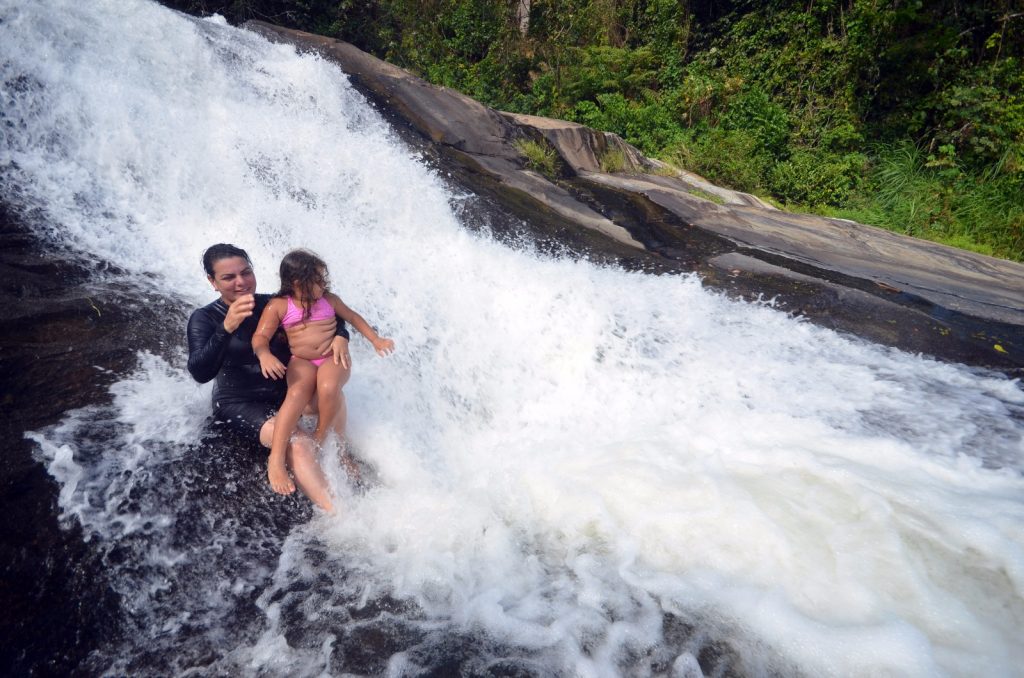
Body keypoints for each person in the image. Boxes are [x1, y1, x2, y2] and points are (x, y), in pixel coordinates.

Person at [186, 243, 350, 512]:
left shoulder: (273, 304)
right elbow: (200, 372)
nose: (241, 282)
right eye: (228, 277)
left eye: (246, 272)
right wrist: (226, 328)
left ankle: (342, 454)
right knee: (299, 443)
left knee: (333, 393)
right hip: (241, 404)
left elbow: (327, 313)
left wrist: (343, 336)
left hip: (286, 394)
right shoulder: (204, 318)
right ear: (212, 282)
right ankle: (339, 515)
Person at [252, 249, 394, 497]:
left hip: (333, 358)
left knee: (329, 389)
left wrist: (376, 340)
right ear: (296, 283)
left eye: (323, 279)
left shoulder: (330, 300)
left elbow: (353, 318)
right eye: (317, 281)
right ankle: (276, 458)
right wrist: (264, 354)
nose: (323, 285)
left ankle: (320, 438)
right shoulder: (279, 305)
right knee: (295, 394)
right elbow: (260, 336)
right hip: (302, 360)